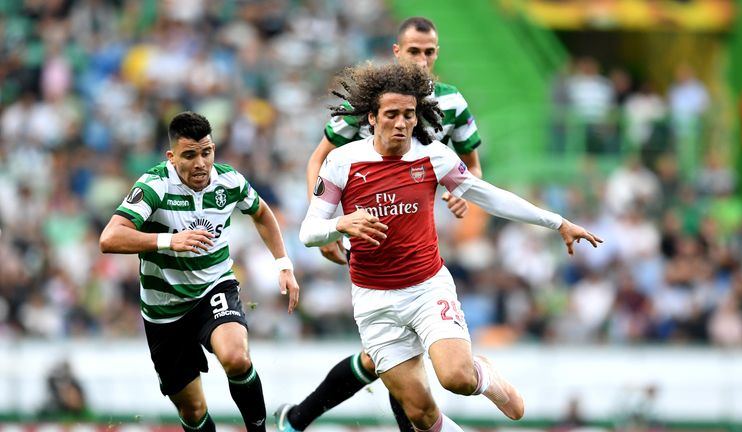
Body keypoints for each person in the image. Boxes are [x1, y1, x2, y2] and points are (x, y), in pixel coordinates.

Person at [297, 62, 602, 432]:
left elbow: (490, 197)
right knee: (421, 414)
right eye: (391, 114)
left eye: (408, 114)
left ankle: (482, 374)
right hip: (373, 300)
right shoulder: (342, 162)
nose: (401, 123)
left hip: (426, 288)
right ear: (372, 118)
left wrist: (557, 222)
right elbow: (309, 232)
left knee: (455, 377)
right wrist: (339, 224)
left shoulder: (434, 156)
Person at [276, 16, 483, 432]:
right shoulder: (376, 101)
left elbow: (471, 165)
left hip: (419, 231)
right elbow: (320, 158)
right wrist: (327, 224)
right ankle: (296, 419)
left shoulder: (452, 102)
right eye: (413, 52)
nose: (421, 61)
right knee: (397, 355)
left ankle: (296, 419)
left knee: (386, 357)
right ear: (396, 52)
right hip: (368, 230)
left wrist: (463, 193)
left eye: (429, 52)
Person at [99, 111, 300, 432]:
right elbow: (109, 238)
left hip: (213, 288)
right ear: (172, 157)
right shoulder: (154, 186)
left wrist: (283, 263)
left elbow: (262, 213)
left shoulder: (228, 181)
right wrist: (169, 241)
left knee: (237, 358)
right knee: (193, 410)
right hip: (164, 309)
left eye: (206, 153)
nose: (200, 164)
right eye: (189, 155)